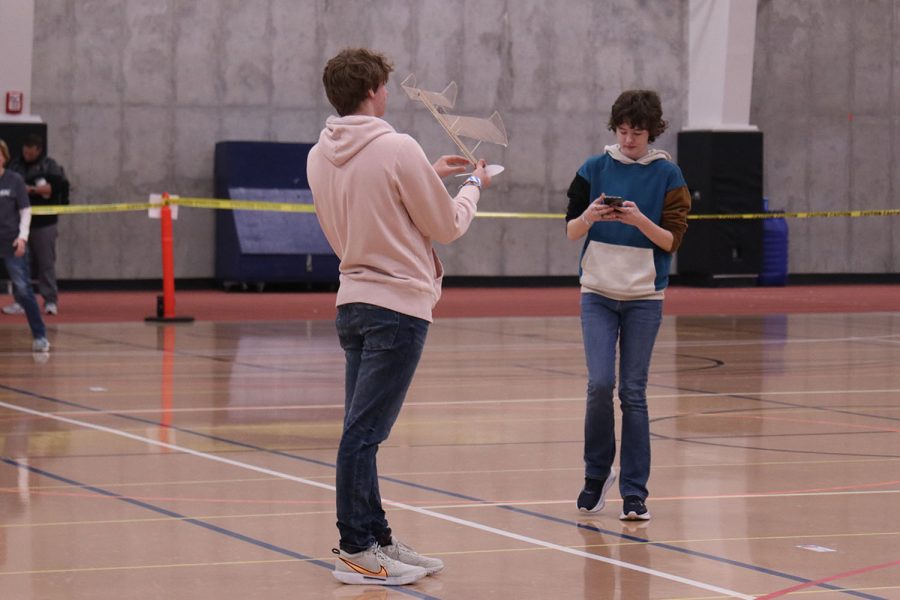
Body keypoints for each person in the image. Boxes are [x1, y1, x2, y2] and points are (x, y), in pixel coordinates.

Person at [307, 47, 491, 586]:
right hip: (397, 308)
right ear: (372, 91)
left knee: (360, 430)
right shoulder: (396, 145)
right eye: (384, 87)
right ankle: (354, 549)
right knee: (363, 435)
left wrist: (426, 175)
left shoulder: (319, 155)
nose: (388, 93)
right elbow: (447, 225)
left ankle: (377, 537)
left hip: (353, 302)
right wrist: (472, 188)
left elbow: (365, 210)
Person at [564, 90, 690, 521]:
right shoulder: (593, 168)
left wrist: (639, 220)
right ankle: (595, 477)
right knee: (600, 385)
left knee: (633, 394)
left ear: (651, 132)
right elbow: (571, 231)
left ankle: (635, 492)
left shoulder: (669, 176)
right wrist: (590, 217)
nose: (630, 138)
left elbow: (672, 240)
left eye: (637, 132)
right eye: (623, 130)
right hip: (597, 294)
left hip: (644, 299)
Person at [4, 133, 69, 316]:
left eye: (31, 153)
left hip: (44, 223)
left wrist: (30, 189)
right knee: (20, 263)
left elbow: (52, 188)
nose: (27, 156)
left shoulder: (50, 165)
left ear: (39, 150)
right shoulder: (16, 165)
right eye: (25, 152)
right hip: (19, 223)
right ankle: (21, 301)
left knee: (46, 262)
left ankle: (50, 300)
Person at [0, 139, 50, 353]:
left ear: (4, 156)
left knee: (23, 290)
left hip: (11, 242)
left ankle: (40, 336)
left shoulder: (15, 180)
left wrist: (22, 238)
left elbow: (25, 211)